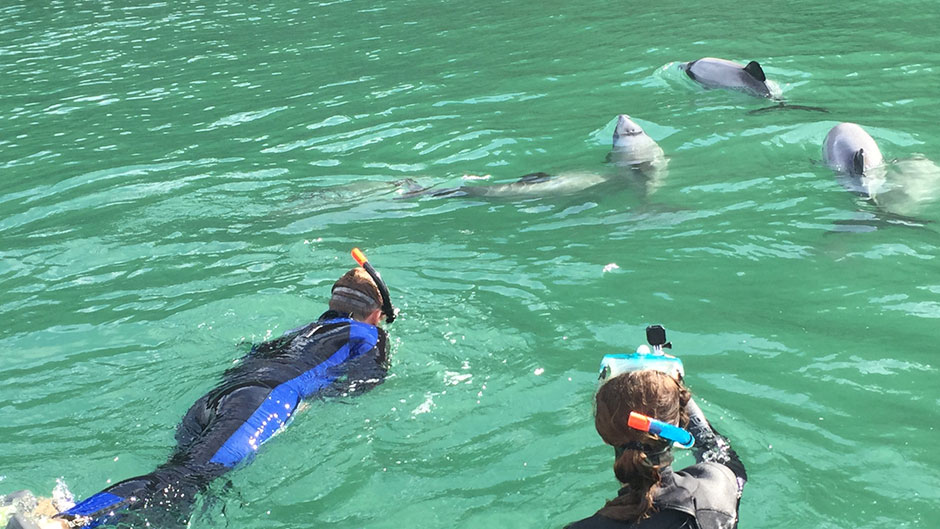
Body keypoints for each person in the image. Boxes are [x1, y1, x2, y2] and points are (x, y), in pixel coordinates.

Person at [15, 251, 397, 529]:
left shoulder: (296, 333)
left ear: (332, 301)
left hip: (215, 401)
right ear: (376, 314)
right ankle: (67, 523)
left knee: (179, 480)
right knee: (185, 479)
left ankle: (50, 511)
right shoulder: (369, 335)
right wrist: (311, 403)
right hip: (261, 403)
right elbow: (364, 383)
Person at [566, 341, 746, 529]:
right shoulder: (716, 492)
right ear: (678, 425)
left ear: (603, 433)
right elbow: (719, 454)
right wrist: (679, 391)